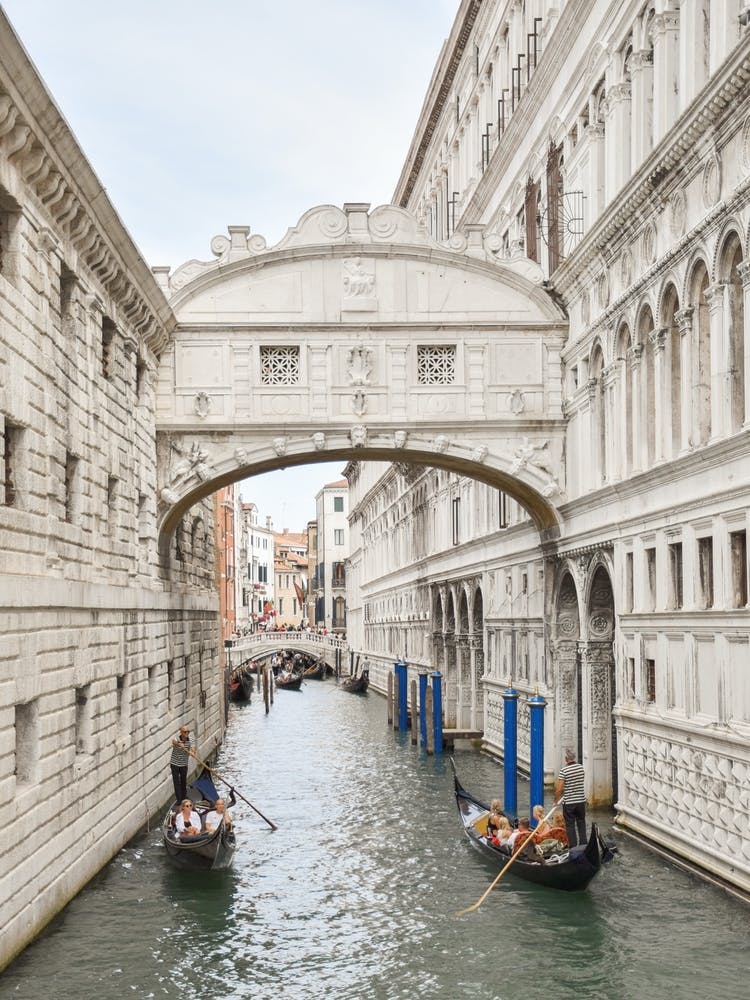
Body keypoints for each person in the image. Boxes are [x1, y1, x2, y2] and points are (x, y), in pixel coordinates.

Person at [554, 748, 587, 847]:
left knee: (570, 825)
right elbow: (579, 782)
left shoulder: (564, 770)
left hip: (569, 803)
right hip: (581, 801)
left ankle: (573, 847)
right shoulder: (581, 768)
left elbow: (559, 789)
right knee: (581, 823)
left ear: (566, 758)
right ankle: (583, 845)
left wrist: (555, 801)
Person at [169, 725, 193, 804]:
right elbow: (173, 742)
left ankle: (184, 797)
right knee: (176, 782)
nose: (187, 733)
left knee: (184, 781)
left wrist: (192, 752)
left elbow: (193, 748)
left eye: (188, 732)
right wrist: (179, 744)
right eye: (185, 732)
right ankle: (179, 800)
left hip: (184, 764)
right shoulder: (177, 739)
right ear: (181, 732)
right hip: (175, 764)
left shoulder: (190, 740)